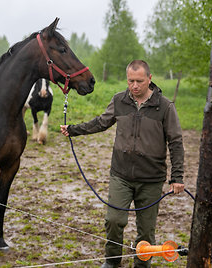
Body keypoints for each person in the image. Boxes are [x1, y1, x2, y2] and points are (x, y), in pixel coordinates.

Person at [60, 60, 184, 268]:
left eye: (139, 81)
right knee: (114, 220)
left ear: (150, 79)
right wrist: (74, 129)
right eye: (130, 81)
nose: (134, 86)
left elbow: (176, 142)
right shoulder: (119, 100)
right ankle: (112, 261)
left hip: (151, 180)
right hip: (121, 175)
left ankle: (141, 265)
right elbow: (101, 122)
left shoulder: (164, 106)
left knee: (145, 231)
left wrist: (177, 177)